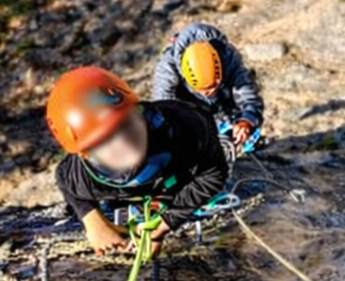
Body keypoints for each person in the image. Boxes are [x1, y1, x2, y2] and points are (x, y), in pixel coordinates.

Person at [46, 66, 229, 256]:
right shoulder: (84, 178)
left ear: (138, 111)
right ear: (85, 154)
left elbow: (213, 174)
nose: (123, 141)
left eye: (125, 123)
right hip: (131, 187)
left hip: (175, 170)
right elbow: (64, 178)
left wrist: (164, 224)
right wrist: (94, 223)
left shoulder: (186, 129)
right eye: (103, 141)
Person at [151, 23, 264, 150]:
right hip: (191, 110)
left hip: (225, 105)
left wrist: (247, 120)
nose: (208, 92)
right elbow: (161, 108)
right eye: (203, 89)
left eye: (213, 86)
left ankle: (231, 130)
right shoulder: (167, 68)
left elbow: (248, 95)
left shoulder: (228, 56)